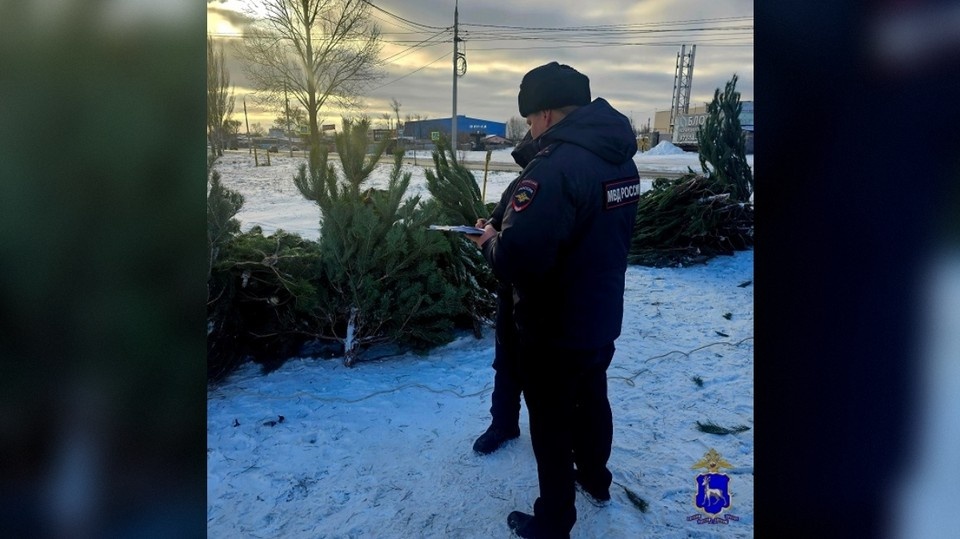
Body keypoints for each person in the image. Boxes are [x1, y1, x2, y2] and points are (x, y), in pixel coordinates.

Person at [467, 61, 641, 538]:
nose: (528, 129)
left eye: (529, 119)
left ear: (544, 114)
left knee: (550, 423)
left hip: (554, 323)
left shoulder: (556, 167)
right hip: (600, 311)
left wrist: (489, 243)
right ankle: (596, 479)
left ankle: (554, 521)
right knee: (593, 399)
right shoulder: (619, 158)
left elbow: (519, 259)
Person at [470, 133, 536, 456]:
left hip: (539, 294)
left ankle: (552, 436)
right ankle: (503, 424)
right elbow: (498, 219)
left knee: (539, 370)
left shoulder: (554, 183)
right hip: (509, 288)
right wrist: (485, 227)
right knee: (505, 361)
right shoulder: (519, 185)